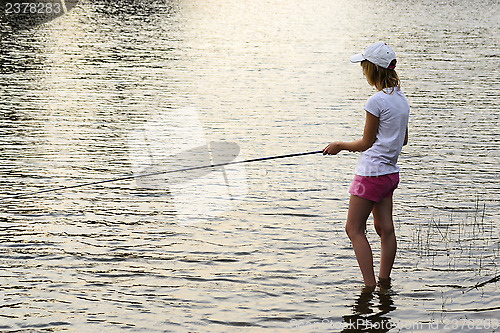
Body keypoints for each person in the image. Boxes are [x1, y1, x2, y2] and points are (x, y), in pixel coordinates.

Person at [323, 42, 410, 288]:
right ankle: (384, 283)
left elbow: (365, 143)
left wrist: (339, 145)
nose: (362, 71)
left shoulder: (375, 102)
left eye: (364, 66)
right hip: (390, 175)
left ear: (373, 68)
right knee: (385, 229)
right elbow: (403, 139)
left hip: (370, 175)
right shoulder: (402, 99)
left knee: (353, 229)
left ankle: (369, 286)